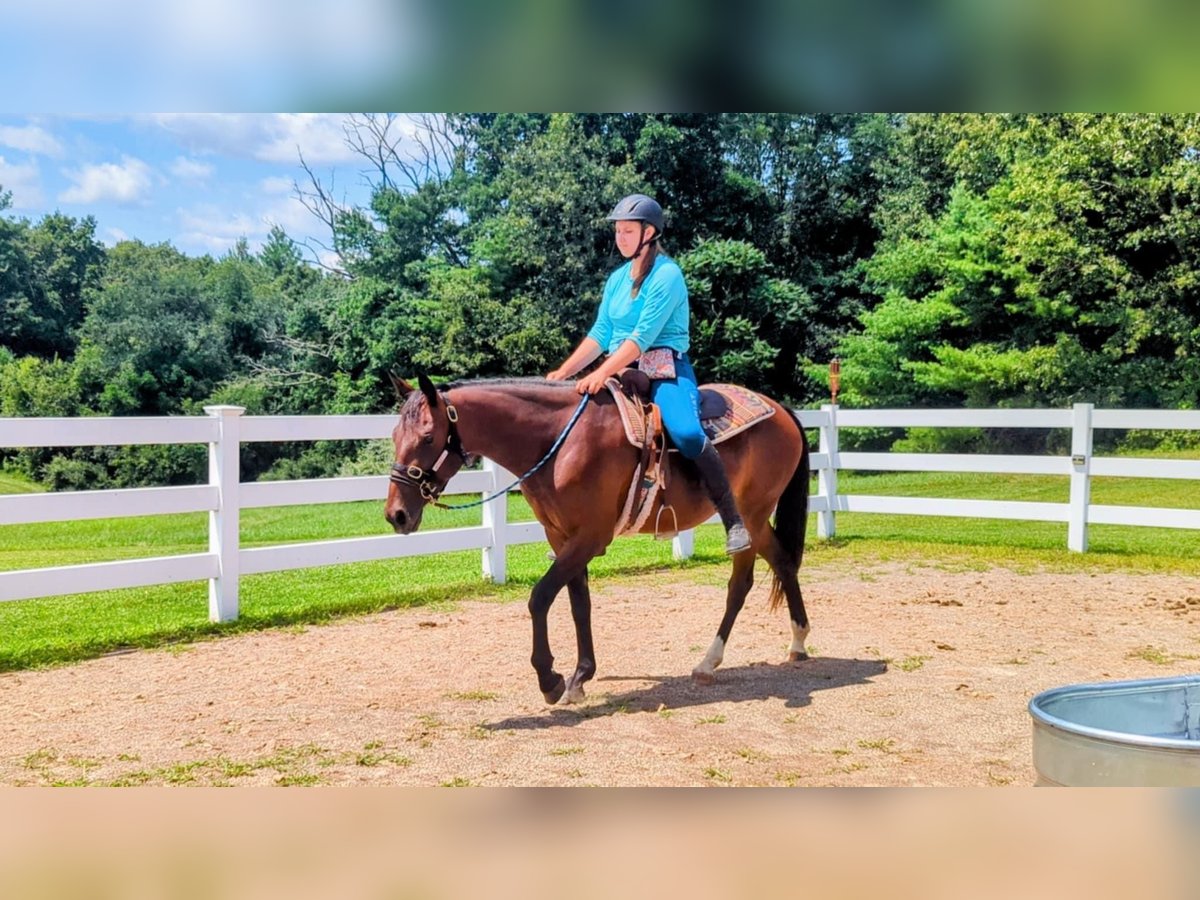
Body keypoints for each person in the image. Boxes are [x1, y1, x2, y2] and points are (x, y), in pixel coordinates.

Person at [546, 193, 751, 554]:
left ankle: (732, 519)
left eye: (627, 231)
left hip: (665, 368)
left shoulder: (667, 275)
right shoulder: (616, 280)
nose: (619, 238)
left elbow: (640, 339)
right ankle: (585, 526)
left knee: (686, 433)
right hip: (622, 369)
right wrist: (563, 372)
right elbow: (600, 334)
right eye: (618, 232)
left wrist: (599, 373)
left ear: (649, 232)